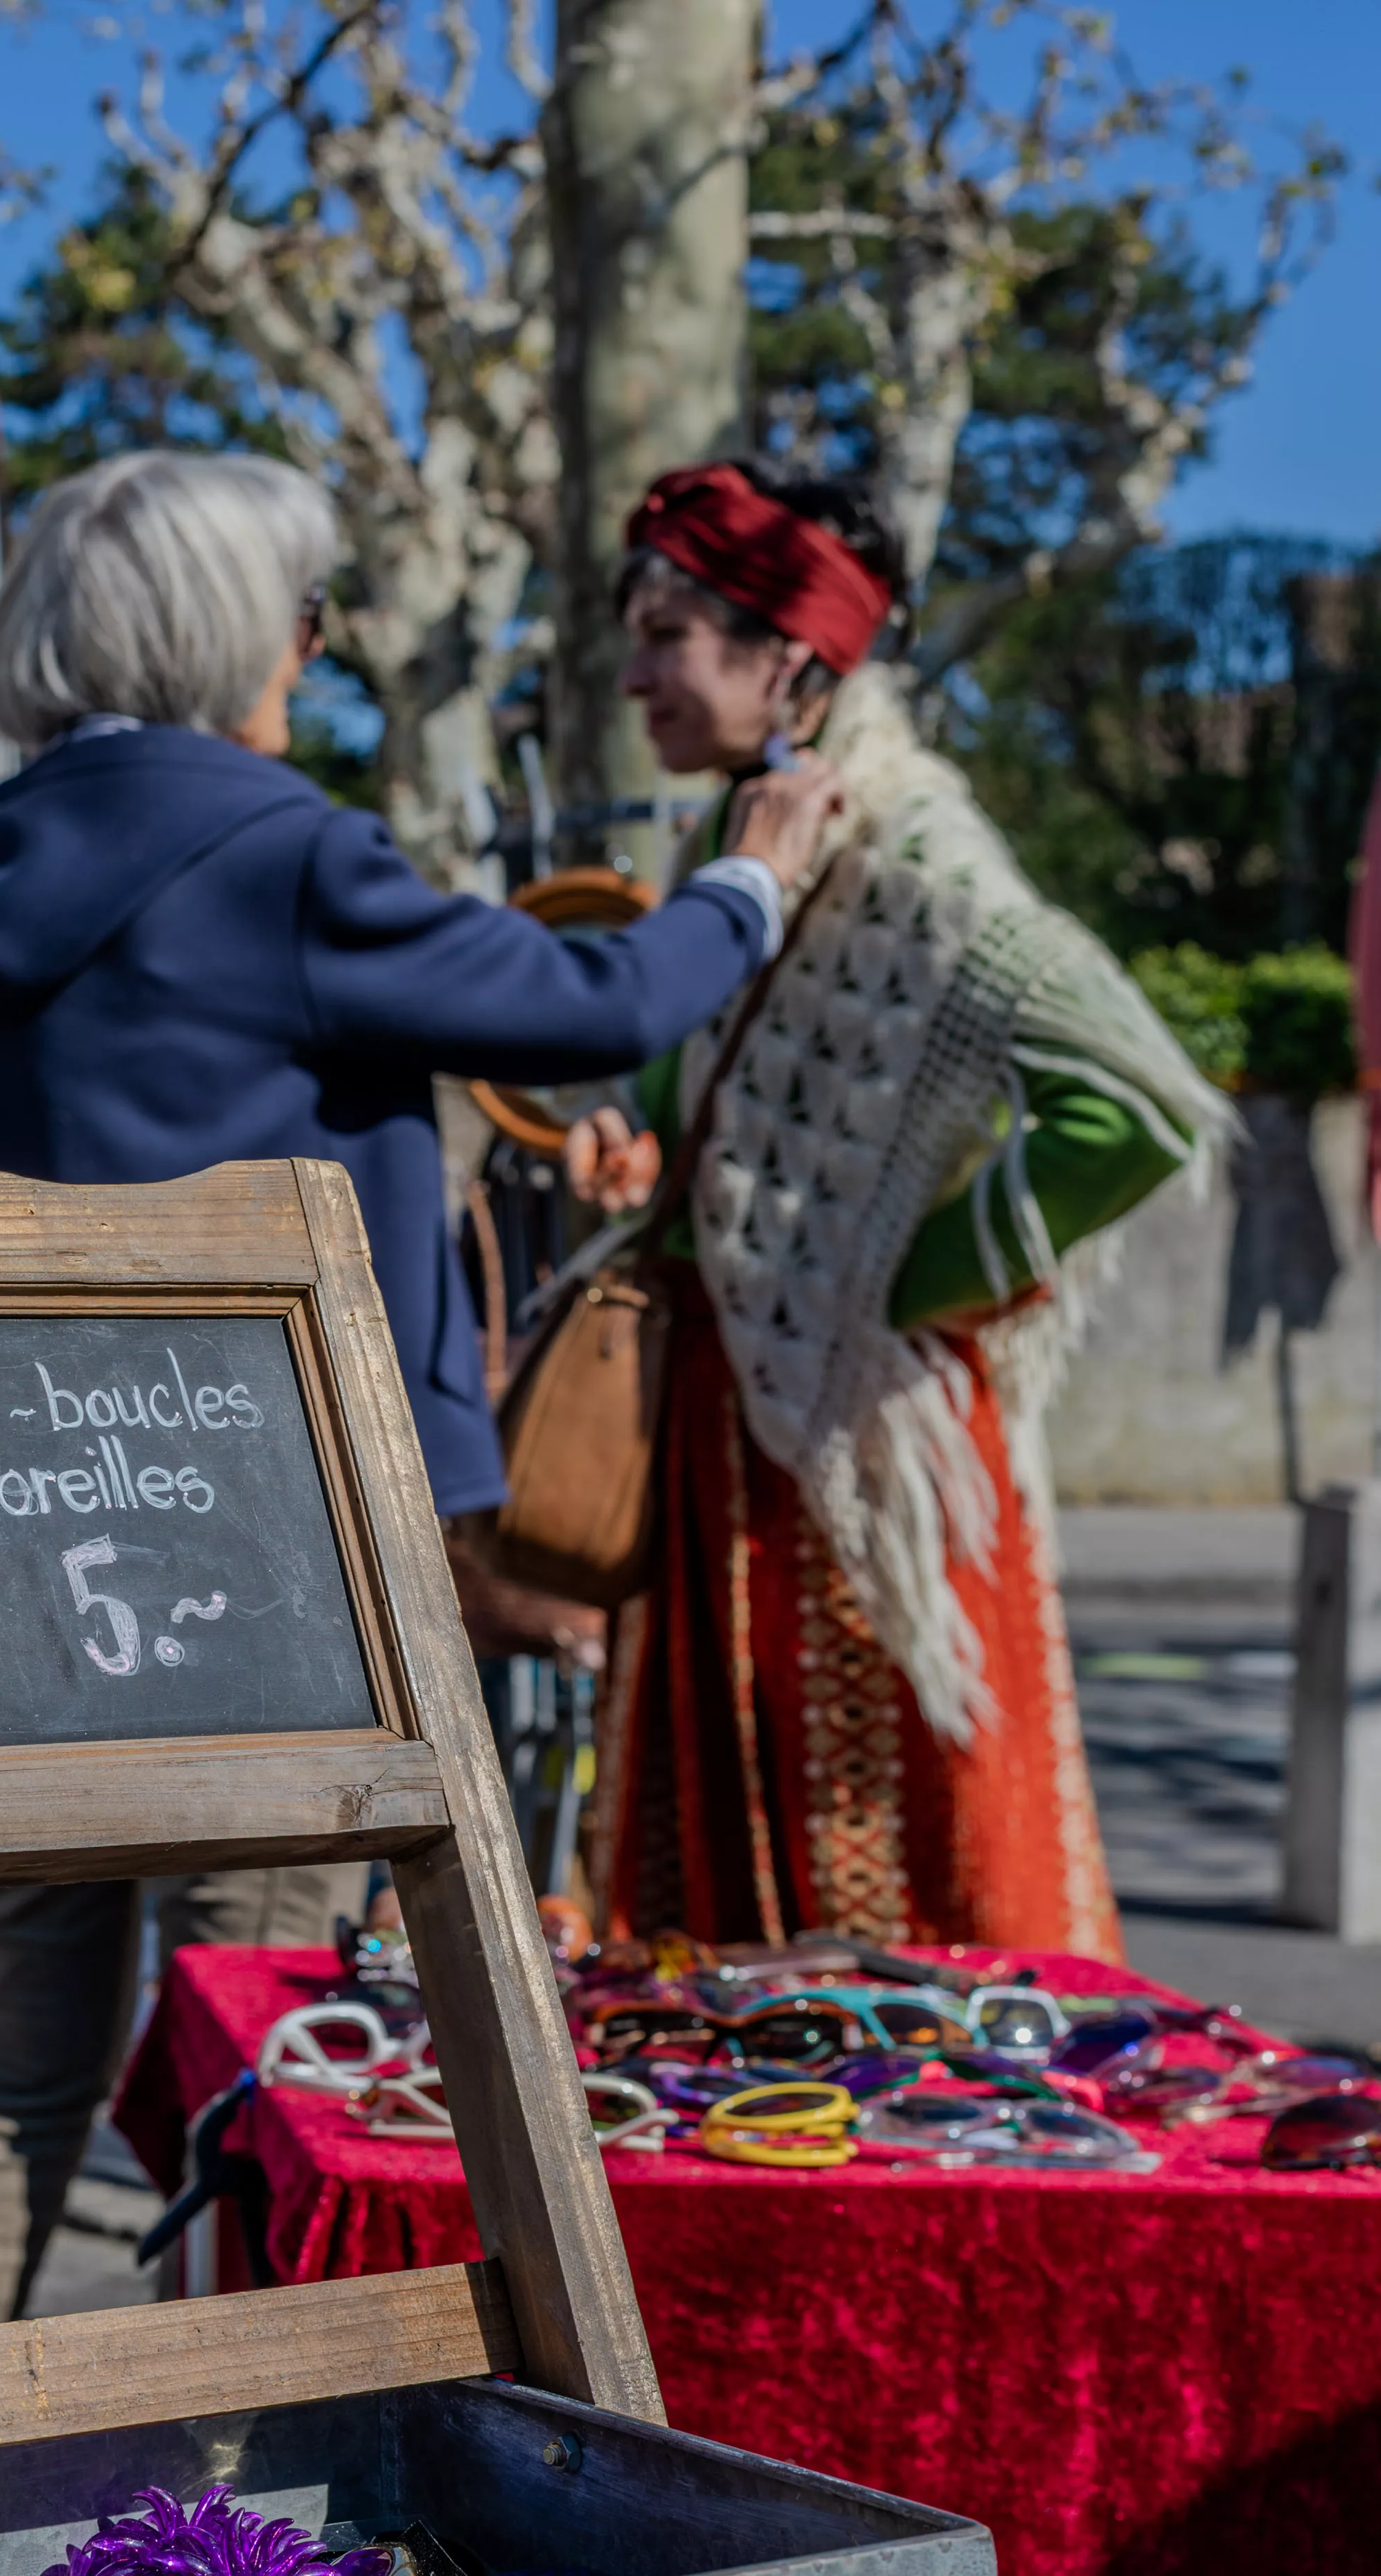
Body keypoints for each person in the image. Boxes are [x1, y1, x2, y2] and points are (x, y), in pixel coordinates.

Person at [0, 449, 837, 2330]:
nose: (317, 647)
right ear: (234, 633)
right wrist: (751, 881)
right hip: (255, 1543)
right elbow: (588, 1010)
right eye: (304, 613)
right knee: (254, 2053)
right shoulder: (279, 856)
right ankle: (222, 2506)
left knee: (18, 2067)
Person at [568, 458, 1228, 1957]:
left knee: (905, 1904)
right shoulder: (741, 840)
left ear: (790, 658)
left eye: (669, 633)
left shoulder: (915, 855)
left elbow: (1134, 1103)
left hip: (859, 1455)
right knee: (721, 1935)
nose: (631, 673)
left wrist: (889, 1281)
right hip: (719, 1445)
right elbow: (730, 1135)